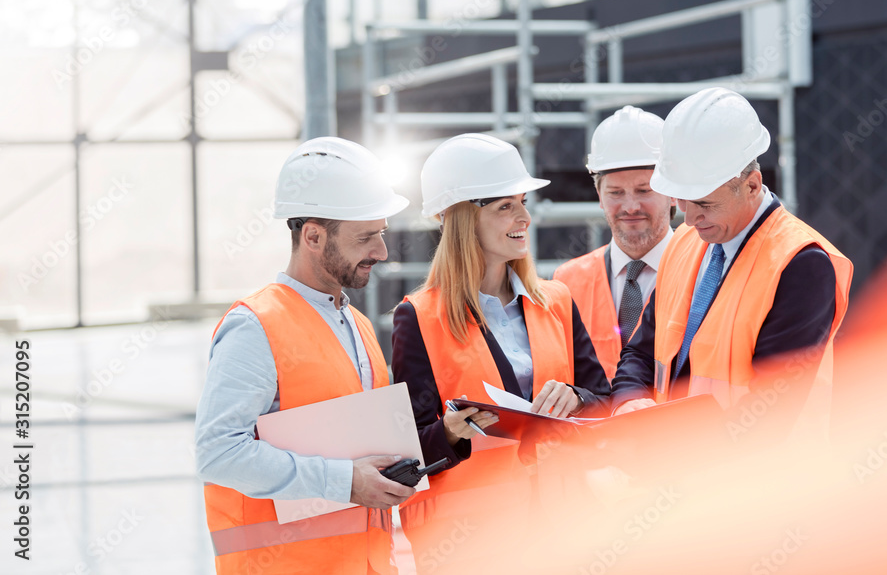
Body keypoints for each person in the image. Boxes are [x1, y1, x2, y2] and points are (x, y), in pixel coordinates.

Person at [391, 133, 611, 572]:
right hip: (474, 547)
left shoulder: (556, 301)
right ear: (462, 219)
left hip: (567, 533)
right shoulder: (418, 317)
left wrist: (577, 398)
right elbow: (407, 451)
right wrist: (450, 432)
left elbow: (604, 402)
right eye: (505, 206)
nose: (524, 217)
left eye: (523, 203)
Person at [195, 137, 415, 575]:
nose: (382, 252)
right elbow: (217, 453)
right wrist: (344, 482)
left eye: (382, 233)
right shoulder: (255, 326)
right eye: (366, 237)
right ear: (313, 236)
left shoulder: (357, 325)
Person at [612, 87, 853, 416]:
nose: (689, 218)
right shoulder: (684, 242)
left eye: (705, 204)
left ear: (751, 185)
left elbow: (769, 411)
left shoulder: (801, 264)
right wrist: (628, 402)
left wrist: (664, 439)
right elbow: (641, 352)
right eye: (680, 200)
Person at [553, 105, 676, 380]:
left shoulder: (704, 269)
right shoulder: (567, 282)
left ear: (672, 193)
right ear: (599, 195)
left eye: (644, 190)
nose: (630, 206)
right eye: (616, 193)